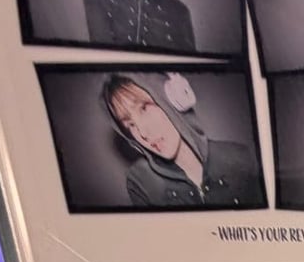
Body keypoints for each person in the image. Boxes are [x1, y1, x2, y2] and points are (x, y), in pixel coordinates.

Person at [102, 72, 262, 210]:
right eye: (130, 125)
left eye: (144, 109)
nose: (143, 133)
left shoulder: (241, 158)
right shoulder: (140, 182)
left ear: (172, 99)